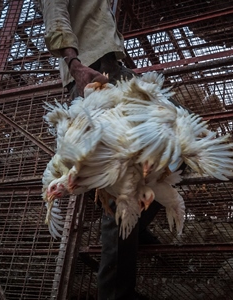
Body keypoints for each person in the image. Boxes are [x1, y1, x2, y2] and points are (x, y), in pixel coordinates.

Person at [38, 1, 163, 299]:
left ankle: (135, 224)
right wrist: (75, 65)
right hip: (91, 72)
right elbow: (55, 16)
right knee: (120, 179)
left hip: (113, 68)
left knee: (173, 142)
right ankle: (114, 293)